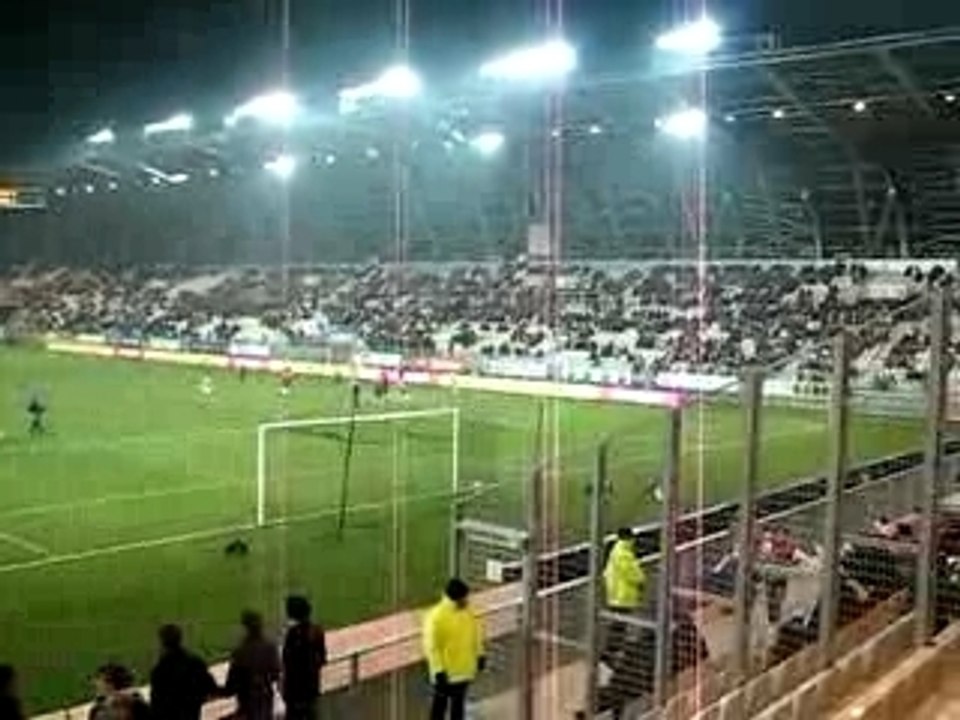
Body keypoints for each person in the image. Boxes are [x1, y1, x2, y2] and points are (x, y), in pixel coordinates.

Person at [422, 579, 485, 720]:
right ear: (457, 597)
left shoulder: (466, 612)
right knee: (439, 707)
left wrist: (480, 654)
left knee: (457, 707)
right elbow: (432, 647)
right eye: (465, 597)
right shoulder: (436, 617)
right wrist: (438, 670)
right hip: (445, 674)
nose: (467, 599)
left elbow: (476, 634)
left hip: (463, 671)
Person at [150, 624, 218, 720]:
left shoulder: (160, 670)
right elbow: (211, 689)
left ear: (162, 642)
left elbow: (156, 706)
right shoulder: (196, 662)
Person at [224, 611, 280, 720]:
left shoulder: (241, 651)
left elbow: (232, 682)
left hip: (247, 702)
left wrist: (222, 692)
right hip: (265, 698)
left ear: (245, 628)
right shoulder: (270, 647)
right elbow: (275, 674)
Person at [603, 528, 648, 661]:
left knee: (619, 625)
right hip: (622, 596)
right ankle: (610, 653)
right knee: (619, 625)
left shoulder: (617, 550)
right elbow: (632, 572)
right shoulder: (623, 553)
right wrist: (641, 581)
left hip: (617, 594)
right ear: (629, 538)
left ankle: (614, 650)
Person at [281, 595, 327, 720]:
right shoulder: (317, 631)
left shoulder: (293, 634)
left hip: (295, 693)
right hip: (311, 690)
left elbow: (286, 661)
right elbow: (322, 659)